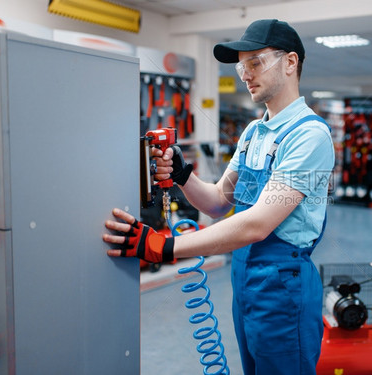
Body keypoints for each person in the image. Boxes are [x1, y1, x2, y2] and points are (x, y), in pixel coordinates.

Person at [103, 18, 335, 375]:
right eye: (242, 65)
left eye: (255, 62)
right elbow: (216, 201)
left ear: (290, 63)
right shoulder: (255, 132)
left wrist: (164, 247)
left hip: (283, 286)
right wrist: (183, 175)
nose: (245, 73)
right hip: (245, 281)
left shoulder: (310, 136)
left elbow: (257, 224)